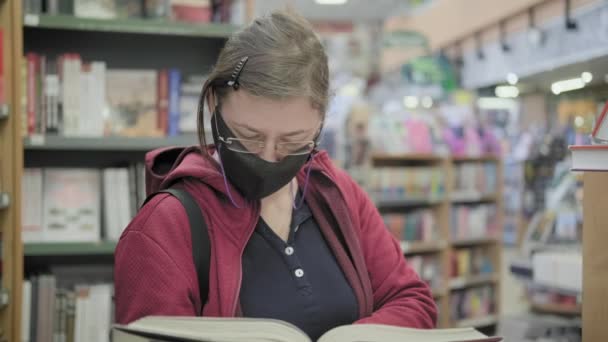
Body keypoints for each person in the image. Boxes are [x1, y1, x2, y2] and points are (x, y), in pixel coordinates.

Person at [114, 10, 437, 340]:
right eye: (249, 136)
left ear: (320, 124)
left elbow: (412, 300)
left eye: (293, 141)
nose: (268, 157)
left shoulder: (338, 193)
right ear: (214, 104)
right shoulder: (165, 226)